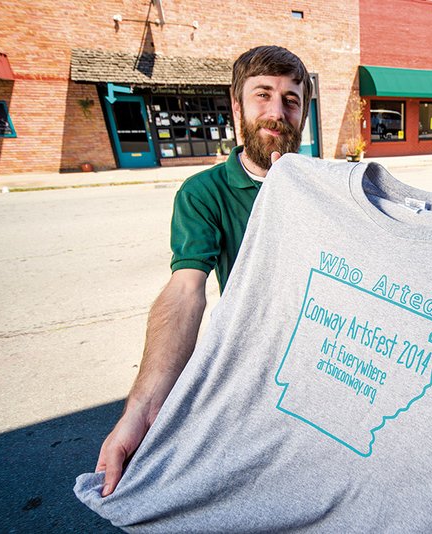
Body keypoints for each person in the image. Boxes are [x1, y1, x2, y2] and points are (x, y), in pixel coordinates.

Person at [95, 45, 312, 497]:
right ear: (236, 105)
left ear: (304, 113)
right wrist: (142, 406)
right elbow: (186, 290)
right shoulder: (204, 193)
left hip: (323, 369)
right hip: (249, 373)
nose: (277, 112)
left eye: (291, 100)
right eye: (263, 95)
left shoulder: (326, 187)